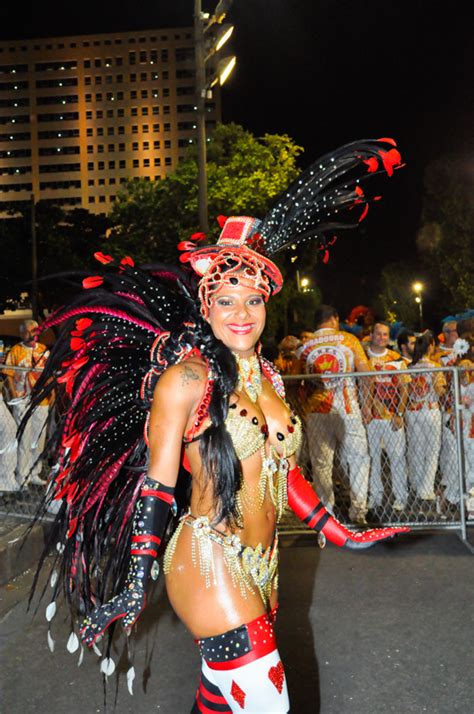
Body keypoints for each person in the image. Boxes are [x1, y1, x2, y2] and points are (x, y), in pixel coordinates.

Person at [25, 139, 406, 712]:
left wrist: (340, 532)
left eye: (253, 300)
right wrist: (135, 581)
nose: (242, 314)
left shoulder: (274, 380)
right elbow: (156, 483)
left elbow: (282, 473)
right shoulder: (187, 380)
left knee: (224, 699)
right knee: (267, 703)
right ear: (205, 306)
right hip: (208, 558)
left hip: (263, 564)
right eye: (226, 301)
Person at [297, 305, 373, 525]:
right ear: (335, 319)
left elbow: (295, 381)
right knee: (358, 458)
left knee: (321, 463)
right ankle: (358, 510)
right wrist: (367, 405)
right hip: (347, 409)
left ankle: (326, 512)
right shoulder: (348, 340)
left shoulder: (304, 347)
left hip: (316, 411)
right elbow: (366, 374)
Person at [365, 322, 410, 511]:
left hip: (392, 416)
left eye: (385, 334)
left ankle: (401, 496)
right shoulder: (363, 357)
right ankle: (375, 495)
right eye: (378, 334)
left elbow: (404, 388)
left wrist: (399, 413)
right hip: (371, 417)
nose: (381, 337)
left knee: (397, 457)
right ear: (371, 335)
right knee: (371, 458)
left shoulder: (396, 359)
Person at [4, 320, 50, 487]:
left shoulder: (44, 351)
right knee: (24, 438)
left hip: (41, 401)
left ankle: (34, 472)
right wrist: (15, 395)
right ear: (21, 333)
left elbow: (50, 373)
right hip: (22, 400)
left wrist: (50, 393)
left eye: (33, 330)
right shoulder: (15, 351)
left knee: (38, 438)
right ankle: (22, 475)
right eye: (26, 331)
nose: (30, 334)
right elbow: (8, 373)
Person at [406, 331, 446, 505]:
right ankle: (426, 488)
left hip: (413, 410)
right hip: (430, 410)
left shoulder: (409, 367)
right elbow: (439, 390)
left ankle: (415, 483)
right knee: (432, 450)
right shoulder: (435, 366)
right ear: (430, 347)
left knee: (416, 448)